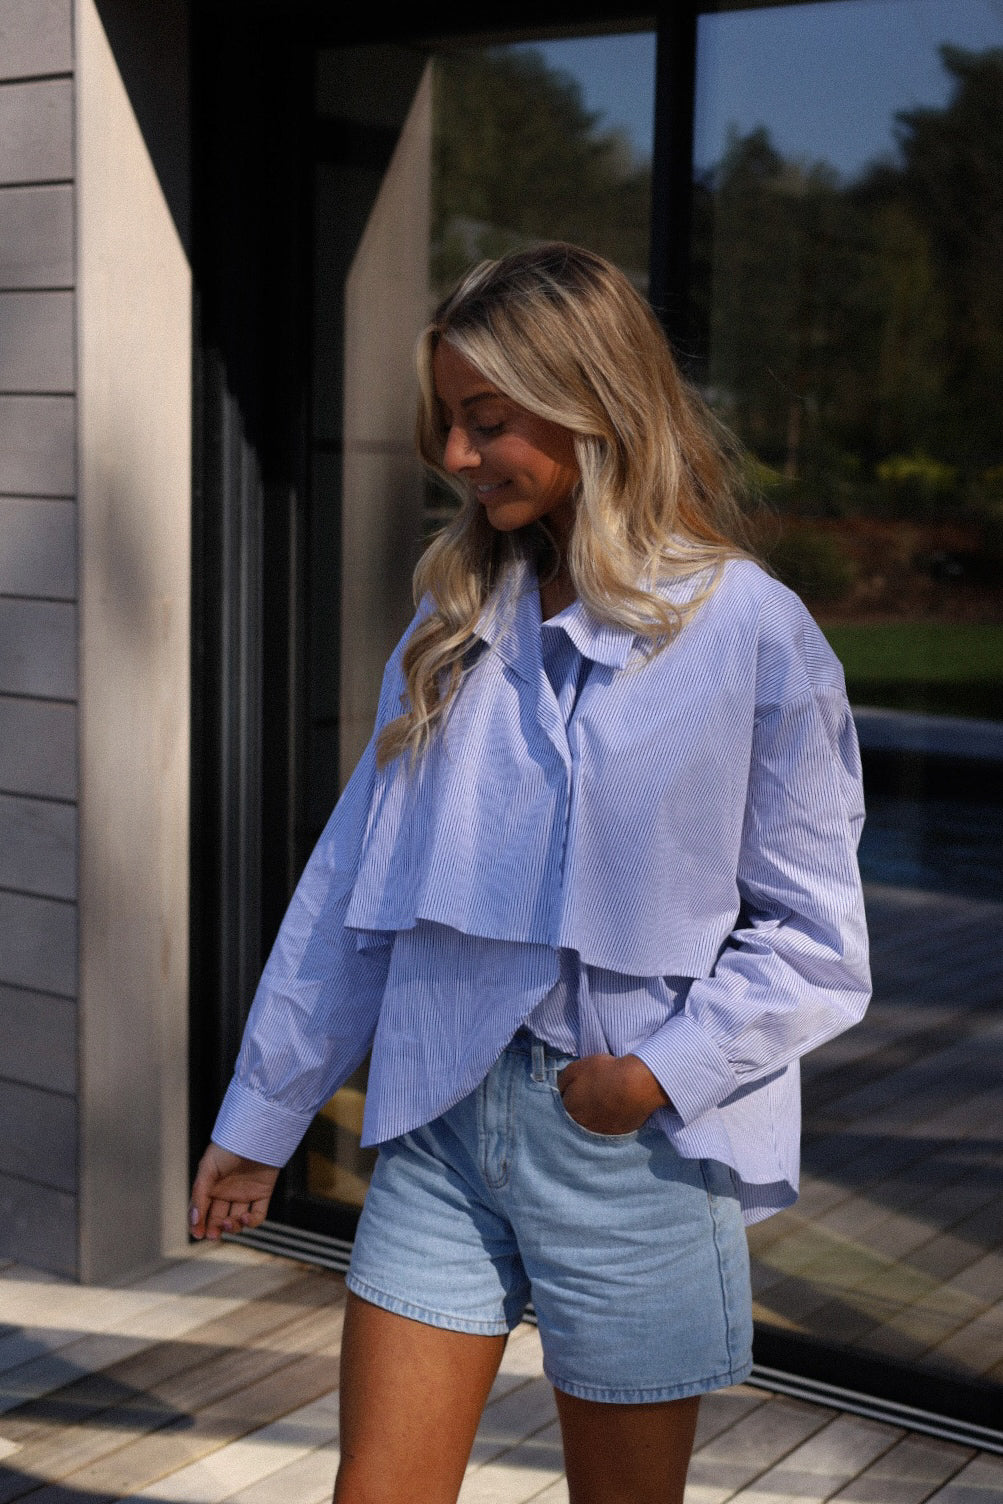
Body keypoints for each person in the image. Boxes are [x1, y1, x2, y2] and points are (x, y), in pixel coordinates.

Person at [189, 242, 870, 1504]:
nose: (455, 454)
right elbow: (348, 897)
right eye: (450, 422)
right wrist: (260, 1118)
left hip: (631, 1145)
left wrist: (647, 1078)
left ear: (589, 402)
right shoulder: (452, 625)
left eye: (486, 420)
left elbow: (816, 939)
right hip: (442, 1123)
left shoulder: (750, 632)